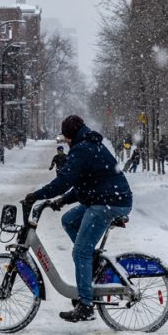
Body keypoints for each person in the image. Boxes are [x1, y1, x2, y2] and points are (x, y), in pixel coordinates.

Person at [24, 115, 132, 323]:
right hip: (105, 198)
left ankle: (86, 305)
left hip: (109, 202)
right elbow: (85, 183)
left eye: (65, 138)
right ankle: (90, 267)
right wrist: (62, 201)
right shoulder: (87, 145)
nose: (65, 142)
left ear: (70, 135)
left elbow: (64, 181)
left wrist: (37, 195)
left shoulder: (83, 149)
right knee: (69, 220)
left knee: (81, 251)